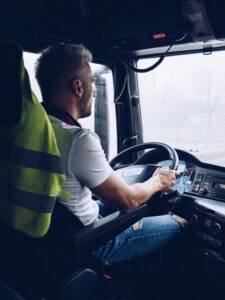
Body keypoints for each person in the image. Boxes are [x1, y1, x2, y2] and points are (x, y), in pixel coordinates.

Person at [35, 43, 188, 269]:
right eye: (91, 82)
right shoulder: (77, 139)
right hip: (90, 240)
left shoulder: (33, 128)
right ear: (77, 87)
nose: (94, 91)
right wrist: (157, 182)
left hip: (54, 233)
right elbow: (129, 201)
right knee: (179, 223)